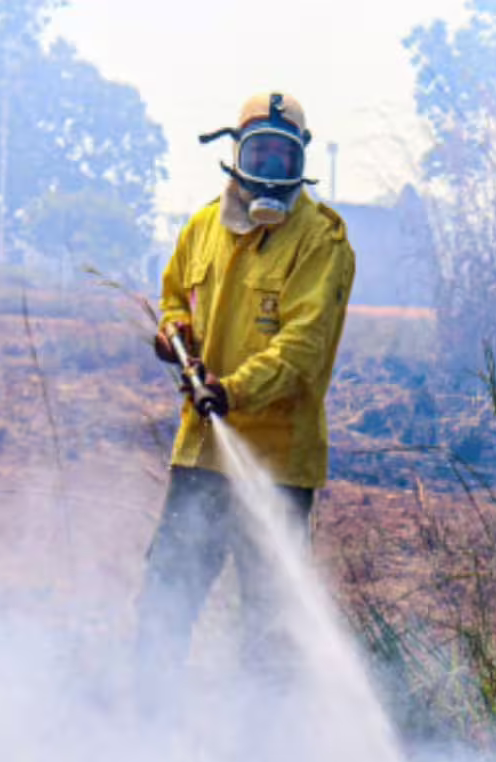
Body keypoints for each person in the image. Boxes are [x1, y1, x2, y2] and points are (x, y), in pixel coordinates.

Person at [134, 91, 357, 723]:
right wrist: (175, 339)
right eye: (257, 151)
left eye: (282, 157)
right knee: (165, 599)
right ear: (234, 155)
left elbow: (302, 349)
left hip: (277, 464)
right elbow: (176, 295)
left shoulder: (322, 241)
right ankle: (144, 734)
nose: (268, 169)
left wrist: (231, 390)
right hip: (201, 454)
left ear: (301, 163)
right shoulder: (204, 226)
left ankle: (259, 761)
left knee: (267, 623)